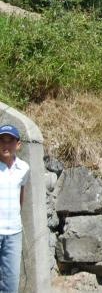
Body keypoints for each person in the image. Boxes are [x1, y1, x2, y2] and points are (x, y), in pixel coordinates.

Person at [0, 124, 30, 293]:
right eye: (2, 141)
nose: (5, 145)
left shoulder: (23, 168)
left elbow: (21, 197)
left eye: (10, 141)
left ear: (18, 145)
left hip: (13, 235)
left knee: (11, 286)